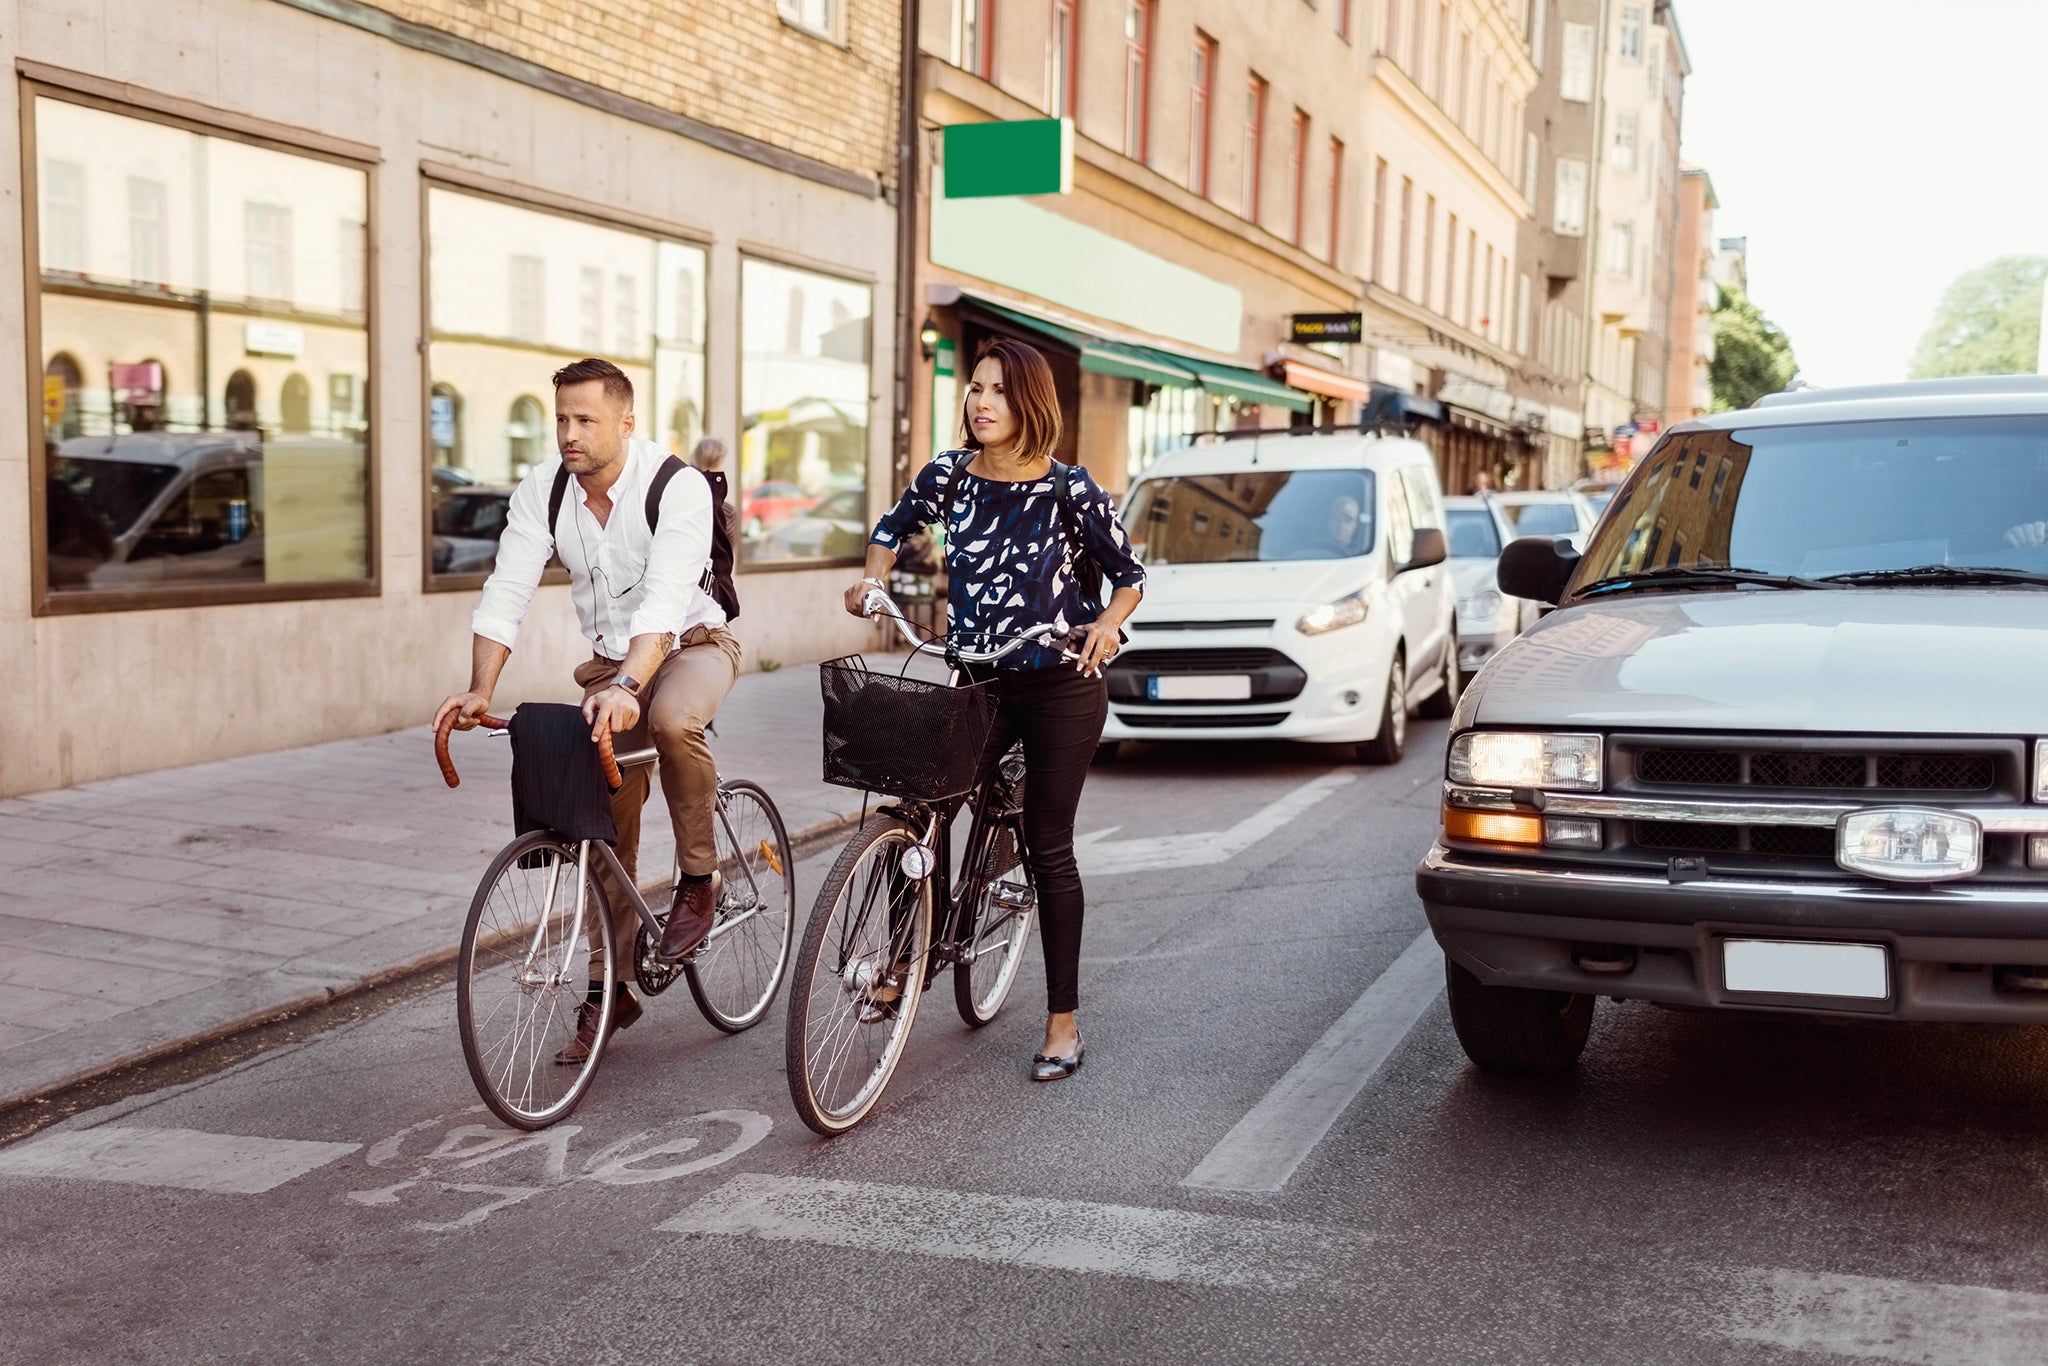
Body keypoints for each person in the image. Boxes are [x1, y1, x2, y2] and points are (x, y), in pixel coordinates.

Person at [850, 337, 1145, 1082]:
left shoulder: (1070, 489)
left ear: (1030, 403)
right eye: (976, 388)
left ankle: (1062, 1022)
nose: (982, 402)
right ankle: (899, 960)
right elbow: (891, 529)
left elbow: (1128, 575)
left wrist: (1107, 625)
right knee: (917, 806)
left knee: (1049, 846)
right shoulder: (948, 476)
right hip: (978, 681)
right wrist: (870, 580)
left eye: (999, 392)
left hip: (1060, 684)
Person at [434, 358, 741, 1065]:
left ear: (626, 423)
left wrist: (632, 688)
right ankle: (613, 990)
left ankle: (700, 879)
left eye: (585, 420)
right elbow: (505, 591)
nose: (569, 434)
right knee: (600, 824)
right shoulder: (544, 491)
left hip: (692, 642)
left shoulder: (677, 487)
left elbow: (664, 605)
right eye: (562, 419)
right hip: (610, 664)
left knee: (669, 722)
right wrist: (480, 687)